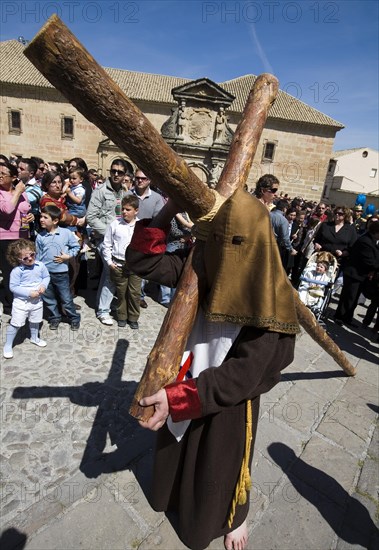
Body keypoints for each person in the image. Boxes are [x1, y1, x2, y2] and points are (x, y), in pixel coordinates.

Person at [126, 187, 299, 550]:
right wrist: (167, 212)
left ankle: (233, 516)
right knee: (179, 446)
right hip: (186, 377)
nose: (223, 251)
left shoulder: (272, 295)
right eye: (216, 239)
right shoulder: (204, 264)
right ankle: (172, 497)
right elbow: (143, 262)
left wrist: (179, 398)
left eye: (231, 241)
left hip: (228, 404)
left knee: (220, 463)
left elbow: (246, 375)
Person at [86, 158, 129, 324]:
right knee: (111, 274)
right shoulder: (101, 192)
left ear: (125, 175)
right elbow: (91, 217)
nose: (116, 174)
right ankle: (103, 310)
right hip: (105, 240)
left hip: (120, 240)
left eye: (119, 172)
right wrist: (109, 233)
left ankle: (104, 305)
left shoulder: (124, 193)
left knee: (109, 274)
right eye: (113, 171)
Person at [36, 205, 81, 330]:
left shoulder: (66, 233)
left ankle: (74, 317)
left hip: (61, 273)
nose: (41, 219)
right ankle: (54, 317)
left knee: (66, 298)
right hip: (45, 274)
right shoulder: (40, 236)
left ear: (55, 221)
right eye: (41, 216)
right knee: (49, 298)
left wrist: (68, 256)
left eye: (45, 217)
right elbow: (38, 256)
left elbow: (76, 247)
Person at [3, 239, 50, 359]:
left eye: (32, 254)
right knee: (16, 323)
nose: (30, 258)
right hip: (21, 302)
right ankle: (8, 345)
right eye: (25, 258)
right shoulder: (17, 271)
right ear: (18, 259)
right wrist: (29, 293)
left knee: (35, 320)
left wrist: (43, 285)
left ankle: (34, 338)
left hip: (37, 301)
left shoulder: (40, 265)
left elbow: (46, 277)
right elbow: (13, 287)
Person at [102, 195, 141, 329]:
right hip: (119, 264)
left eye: (128, 209)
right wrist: (109, 261)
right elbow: (107, 244)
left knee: (134, 293)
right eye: (123, 209)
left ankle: (133, 317)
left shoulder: (140, 226)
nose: (124, 212)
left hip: (135, 266)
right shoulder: (115, 224)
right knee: (121, 292)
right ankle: (122, 316)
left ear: (136, 210)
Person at [0, 161, 34, 313]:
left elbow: (26, 208)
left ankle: (21, 299)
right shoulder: (1, 192)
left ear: (13, 177)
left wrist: (30, 217)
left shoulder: (23, 192)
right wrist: (18, 192)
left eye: (3, 174)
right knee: (9, 273)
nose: (0, 176)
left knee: (22, 270)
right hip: (5, 237)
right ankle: (9, 305)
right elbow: (7, 209)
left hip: (22, 235)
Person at [334, 218, 379, 326]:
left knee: (353, 299)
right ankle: (339, 316)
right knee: (348, 297)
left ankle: (347, 318)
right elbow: (370, 262)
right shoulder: (365, 241)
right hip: (354, 273)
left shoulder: (372, 240)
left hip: (360, 275)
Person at [270, 199, 297, 268]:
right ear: (284, 209)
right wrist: (291, 249)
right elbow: (285, 237)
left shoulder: (268, 214)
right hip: (275, 245)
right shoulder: (283, 220)